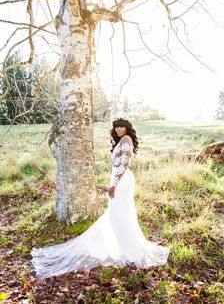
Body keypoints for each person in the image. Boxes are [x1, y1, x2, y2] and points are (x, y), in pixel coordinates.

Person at [31, 118, 170, 279]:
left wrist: (114, 185)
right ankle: (121, 246)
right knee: (116, 213)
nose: (118, 130)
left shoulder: (126, 139)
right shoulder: (121, 140)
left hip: (122, 180)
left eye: (121, 127)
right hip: (118, 179)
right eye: (116, 127)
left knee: (120, 213)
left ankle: (131, 249)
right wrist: (113, 182)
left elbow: (124, 164)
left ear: (127, 128)